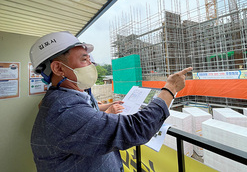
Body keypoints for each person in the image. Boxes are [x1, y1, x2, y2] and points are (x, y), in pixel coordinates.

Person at [29, 31, 192, 171]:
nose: (91, 65)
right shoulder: (64, 112)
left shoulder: (65, 98)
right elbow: (136, 128)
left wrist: (107, 107)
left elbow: (90, 113)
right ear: (58, 68)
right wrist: (170, 88)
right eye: (84, 59)